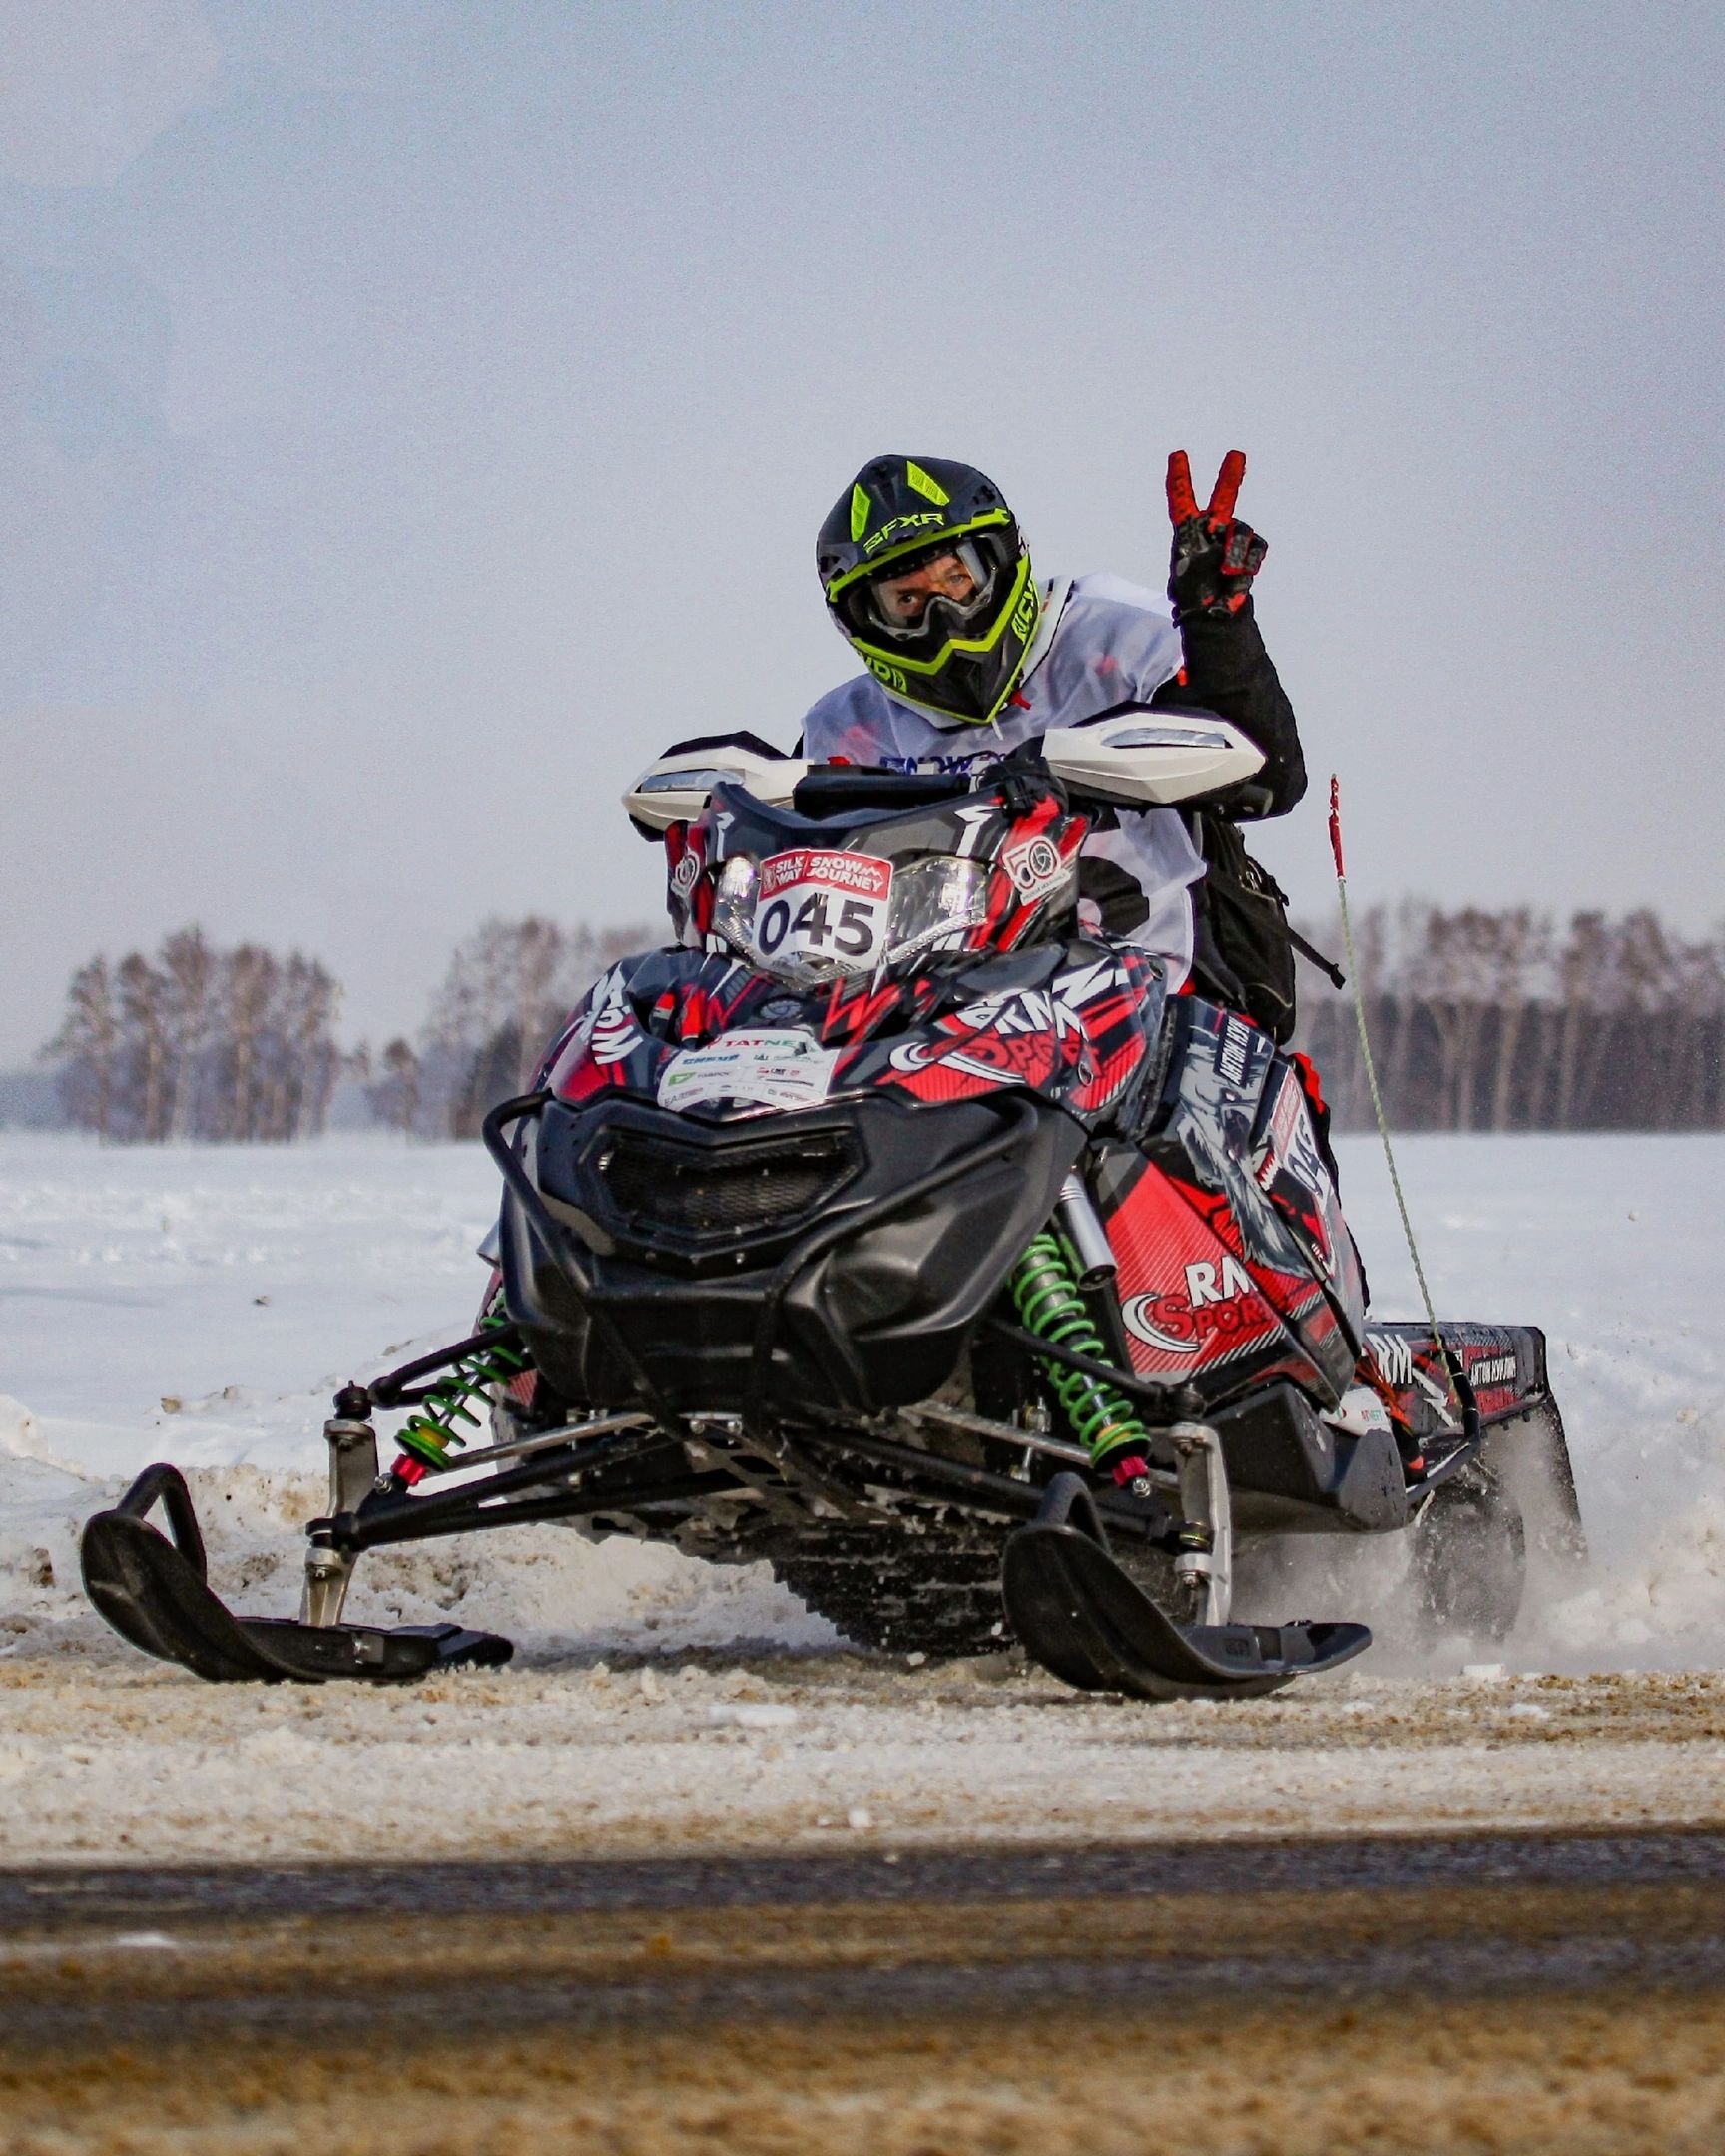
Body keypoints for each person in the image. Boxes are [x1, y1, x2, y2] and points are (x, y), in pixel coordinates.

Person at [805, 451, 1307, 1021]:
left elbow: (1270, 778)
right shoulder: (845, 728)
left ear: (998, 561)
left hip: (1165, 1003)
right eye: (909, 601)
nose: (944, 615)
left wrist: (1219, 629)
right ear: (865, 618)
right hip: (938, 1026)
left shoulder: (1118, 639)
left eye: (957, 579)